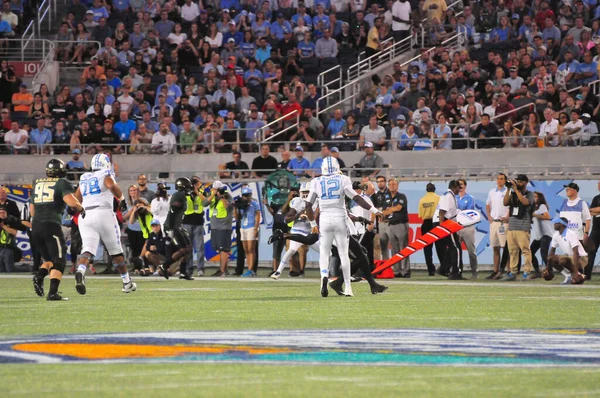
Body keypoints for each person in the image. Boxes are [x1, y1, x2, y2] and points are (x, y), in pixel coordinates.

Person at [305, 156, 383, 297]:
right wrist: (375, 210)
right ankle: (348, 288)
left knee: (324, 252)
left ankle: (324, 277)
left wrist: (312, 224)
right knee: (343, 254)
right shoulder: (343, 179)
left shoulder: (316, 181)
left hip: (325, 220)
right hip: (340, 218)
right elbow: (357, 198)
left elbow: (308, 205)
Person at [73, 153, 136, 295]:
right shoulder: (105, 174)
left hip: (86, 214)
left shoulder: (84, 177)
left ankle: (81, 271)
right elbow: (110, 184)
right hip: (103, 212)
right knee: (115, 250)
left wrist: (75, 210)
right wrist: (122, 199)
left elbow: (76, 198)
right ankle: (127, 283)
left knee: (88, 248)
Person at [32, 159, 86, 301]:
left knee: (49, 260)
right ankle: (52, 293)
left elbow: (32, 208)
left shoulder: (37, 182)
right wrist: (81, 208)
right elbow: (71, 202)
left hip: (36, 225)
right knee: (60, 260)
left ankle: (39, 277)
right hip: (51, 225)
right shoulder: (62, 183)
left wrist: (38, 221)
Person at [270, 183, 318, 280]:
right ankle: (278, 272)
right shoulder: (297, 202)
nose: (305, 194)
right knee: (291, 251)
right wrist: (298, 215)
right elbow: (286, 219)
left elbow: (316, 217)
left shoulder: (316, 201)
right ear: (300, 192)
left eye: (307, 192)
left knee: (325, 251)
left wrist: (309, 217)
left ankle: (327, 273)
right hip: (298, 230)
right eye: (303, 192)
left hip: (310, 231)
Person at [157, 177, 194, 279]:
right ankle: (164, 265)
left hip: (177, 226)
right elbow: (173, 210)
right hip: (172, 226)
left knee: (189, 248)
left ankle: (182, 272)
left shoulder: (181, 195)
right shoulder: (178, 195)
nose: (189, 189)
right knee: (183, 250)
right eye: (187, 187)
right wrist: (172, 228)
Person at [501, 174, 535, 281]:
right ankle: (513, 272)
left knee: (525, 251)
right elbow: (505, 202)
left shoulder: (529, 194)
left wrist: (516, 190)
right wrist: (508, 189)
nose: (518, 183)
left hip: (523, 226)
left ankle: (527, 271)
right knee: (513, 251)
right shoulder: (513, 193)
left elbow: (525, 202)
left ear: (525, 183)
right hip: (512, 226)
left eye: (520, 182)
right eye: (517, 181)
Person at [377, 178, 410, 278]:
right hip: (390, 225)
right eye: (390, 184)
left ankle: (405, 270)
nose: (392, 186)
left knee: (403, 248)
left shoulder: (401, 196)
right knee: (394, 249)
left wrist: (389, 210)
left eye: (394, 184)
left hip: (401, 224)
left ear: (397, 186)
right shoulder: (386, 197)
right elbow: (384, 211)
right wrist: (390, 210)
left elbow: (398, 208)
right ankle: (397, 270)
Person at [203, 181, 234, 276]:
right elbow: (204, 204)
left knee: (224, 249)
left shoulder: (227, 196)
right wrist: (213, 194)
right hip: (215, 227)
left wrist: (222, 197)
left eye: (217, 189)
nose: (216, 191)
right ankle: (225, 269)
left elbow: (229, 208)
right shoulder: (211, 196)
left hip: (224, 227)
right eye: (214, 189)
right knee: (220, 249)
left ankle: (222, 271)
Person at [432, 180, 462, 279]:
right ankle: (455, 272)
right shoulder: (449, 196)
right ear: (455, 187)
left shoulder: (449, 195)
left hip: (442, 221)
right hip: (442, 221)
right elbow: (442, 211)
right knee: (456, 247)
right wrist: (442, 226)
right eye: (459, 188)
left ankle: (443, 269)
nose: (459, 190)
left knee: (452, 246)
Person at [547, 217, 587, 284]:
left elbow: (576, 252)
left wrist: (576, 272)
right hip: (570, 257)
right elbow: (552, 251)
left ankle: (577, 274)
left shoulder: (570, 234)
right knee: (551, 258)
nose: (554, 224)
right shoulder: (556, 235)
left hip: (582, 258)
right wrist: (548, 268)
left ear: (562, 224)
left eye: (556, 223)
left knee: (563, 260)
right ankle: (567, 276)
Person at [485, 173, 510, 280]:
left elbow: (511, 206)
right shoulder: (492, 192)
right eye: (498, 179)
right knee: (495, 247)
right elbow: (487, 204)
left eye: (501, 179)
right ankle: (496, 271)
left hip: (503, 222)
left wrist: (507, 216)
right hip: (494, 222)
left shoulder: (507, 192)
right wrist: (489, 216)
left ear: (505, 181)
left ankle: (509, 270)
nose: (499, 180)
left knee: (506, 248)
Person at [182, 176, 206, 278]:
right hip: (187, 222)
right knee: (188, 247)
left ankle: (200, 269)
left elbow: (205, 202)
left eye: (197, 183)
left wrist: (197, 192)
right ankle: (189, 268)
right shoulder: (185, 192)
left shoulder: (202, 192)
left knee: (200, 247)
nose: (195, 185)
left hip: (198, 222)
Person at [456, 179, 478, 279]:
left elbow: (469, 213)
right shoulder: (454, 198)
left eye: (461, 184)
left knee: (471, 251)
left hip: (468, 227)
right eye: (458, 185)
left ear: (465, 186)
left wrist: (459, 213)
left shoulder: (470, 198)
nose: (460, 186)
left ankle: (474, 271)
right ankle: (457, 271)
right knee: (456, 250)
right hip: (456, 227)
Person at [237, 187, 261, 277]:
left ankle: (251, 269)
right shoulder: (241, 204)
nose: (246, 197)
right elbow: (237, 217)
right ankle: (249, 269)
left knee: (251, 249)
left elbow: (258, 215)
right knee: (246, 249)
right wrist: (236, 207)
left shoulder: (254, 204)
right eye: (244, 195)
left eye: (247, 195)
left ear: (251, 195)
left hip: (251, 226)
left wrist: (256, 228)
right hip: (243, 226)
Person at [558, 182, 591, 248]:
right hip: (566, 238)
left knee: (579, 256)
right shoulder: (563, 203)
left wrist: (586, 233)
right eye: (566, 189)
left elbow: (588, 219)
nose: (567, 190)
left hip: (577, 237)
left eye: (569, 189)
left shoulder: (582, 203)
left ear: (575, 190)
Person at [418, 183, 439, 276]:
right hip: (436, 222)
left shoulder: (422, 200)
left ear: (426, 190)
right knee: (440, 247)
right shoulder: (439, 198)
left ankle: (431, 270)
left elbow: (421, 215)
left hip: (426, 223)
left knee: (427, 248)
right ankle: (444, 268)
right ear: (434, 189)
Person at [531, 191, 553, 278]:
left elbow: (547, 217)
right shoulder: (533, 208)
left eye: (535, 196)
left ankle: (550, 272)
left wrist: (534, 215)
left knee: (544, 253)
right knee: (530, 253)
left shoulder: (542, 206)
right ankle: (537, 272)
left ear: (539, 198)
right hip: (538, 235)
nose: (534, 198)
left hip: (546, 234)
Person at [0, 205, 27, 272]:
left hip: (8, 248)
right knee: (1, 270)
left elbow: (15, 232)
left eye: (3, 212)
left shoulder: (11, 220)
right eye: (0, 213)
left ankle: (26, 267)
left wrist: (3, 226)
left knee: (10, 270)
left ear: (6, 213)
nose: (2, 214)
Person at [585, 180, 600, 280]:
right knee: (590, 251)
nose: (598, 185)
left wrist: (594, 210)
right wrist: (595, 210)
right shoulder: (596, 198)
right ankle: (587, 274)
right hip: (596, 229)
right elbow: (589, 212)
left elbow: (593, 210)